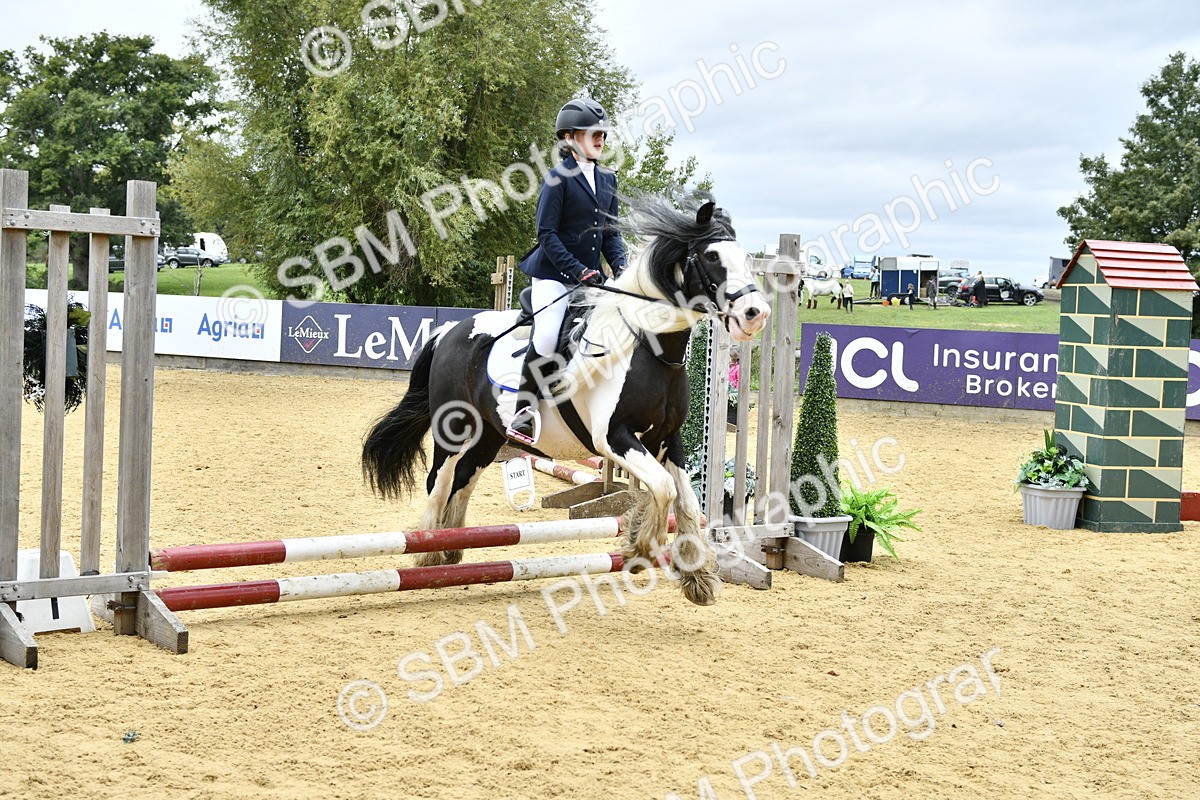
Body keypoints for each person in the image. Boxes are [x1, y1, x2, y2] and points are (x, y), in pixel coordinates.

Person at [506, 99, 627, 446]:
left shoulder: (607, 179)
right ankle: (523, 412)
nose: (601, 139)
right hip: (553, 276)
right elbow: (547, 235)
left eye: (603, 133)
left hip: (591, 277)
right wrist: (577, 271)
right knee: (546, 337)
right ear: (570, 138)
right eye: (593, 133)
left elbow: (610, 234)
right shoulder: (556, 179)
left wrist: (620, 265)